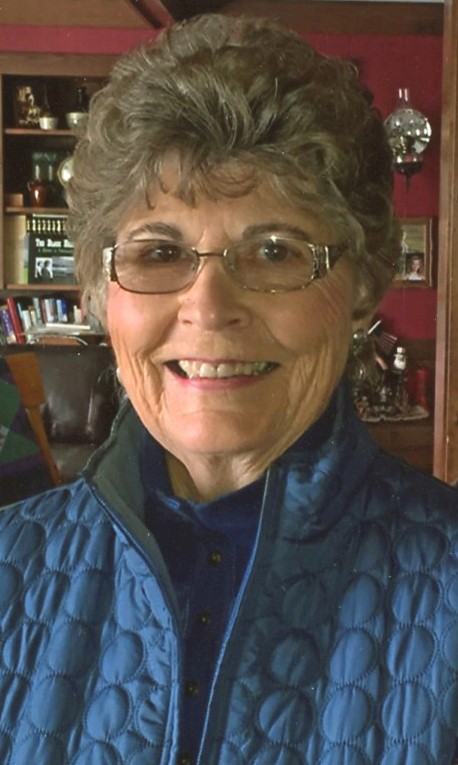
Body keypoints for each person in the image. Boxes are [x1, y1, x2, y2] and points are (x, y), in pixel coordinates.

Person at [0, 14, 457, 765]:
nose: (209, 308)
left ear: (360, 289)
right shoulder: (11, 567)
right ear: (100, 294)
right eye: (159, 252)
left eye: (275, 250)